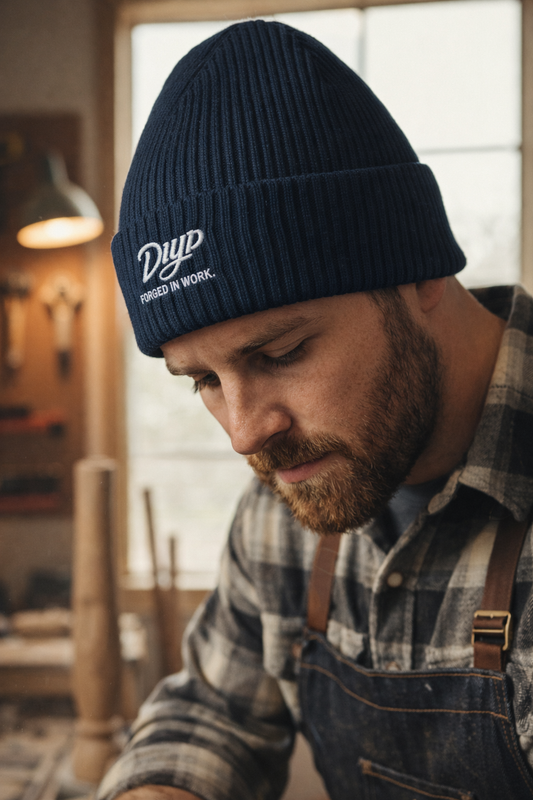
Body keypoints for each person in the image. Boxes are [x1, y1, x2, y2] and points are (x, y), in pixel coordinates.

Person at [99, 19, 533, 800]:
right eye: (202, 381)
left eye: (280, 352)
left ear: (417, 272)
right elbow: (216, 711)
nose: (244, 433)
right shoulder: (288, 497)